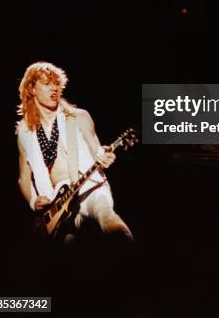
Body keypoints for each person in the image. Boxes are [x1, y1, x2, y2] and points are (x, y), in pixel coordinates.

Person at [16, 61, 133, 241]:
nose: (54, 88)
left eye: (56, 83)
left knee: (107, 216)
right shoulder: (25, 134)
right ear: (31, 89)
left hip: (88, 185)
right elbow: (24, 178)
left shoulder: (78, 116)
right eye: (47, 84)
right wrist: (33, 201)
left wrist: (103, 154)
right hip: (57, 205)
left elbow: (96, 148)